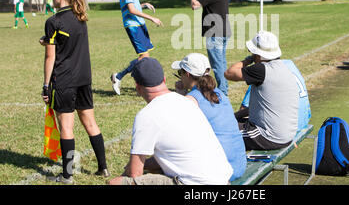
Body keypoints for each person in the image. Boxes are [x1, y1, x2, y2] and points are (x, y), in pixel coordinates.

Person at [108, 57, 233, 185]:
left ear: (138, 88)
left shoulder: (146, 115)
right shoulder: (187, 101)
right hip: (223, 179)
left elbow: (135, 173)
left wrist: (129, 168)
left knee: (115, 183)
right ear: (164, 80)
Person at [40, 0, 109, 184]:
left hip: (64, 80)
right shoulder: (80, 16)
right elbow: (69, 43)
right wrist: (48, 40)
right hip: (84, 79)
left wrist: (45, 85)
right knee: (90, 123)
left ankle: (67, 175)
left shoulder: (53, 21)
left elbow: (50, 57)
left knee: (67, 128)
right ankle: (103, 168)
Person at [171, 53, 246, 182]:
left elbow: (174, 133)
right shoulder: (220, 94)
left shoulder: (191, 100)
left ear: (187, 74)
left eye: (180, 72)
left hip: (219, 171)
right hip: (239, 164)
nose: (180, 76)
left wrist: (180, 96)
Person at [224, 31, 299, 150]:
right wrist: (236, 116)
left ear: (258, 55)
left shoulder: (261, 70)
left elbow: (229, 73)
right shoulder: (283, 67)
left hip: (269, 137)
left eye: (252, 52)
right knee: (229, 122)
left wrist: (248, 60)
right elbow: (264, 107)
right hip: (285, 136)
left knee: (220, 129)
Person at [111, 0, 163, 95]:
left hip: (139, 23)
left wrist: (144, 4)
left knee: (145, 56)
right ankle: (120, 77)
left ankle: (133, 81)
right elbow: (131, 10)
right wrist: (152, 18)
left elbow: (134, 5)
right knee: (144, 57)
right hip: (133, 25)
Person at [189, 0, 231, 96]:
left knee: (217, 65)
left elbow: (195, 5)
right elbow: (207, 2)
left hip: (215, 34)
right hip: (223, 32)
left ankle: (223, 92)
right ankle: (224, 87)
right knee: (221, 62)